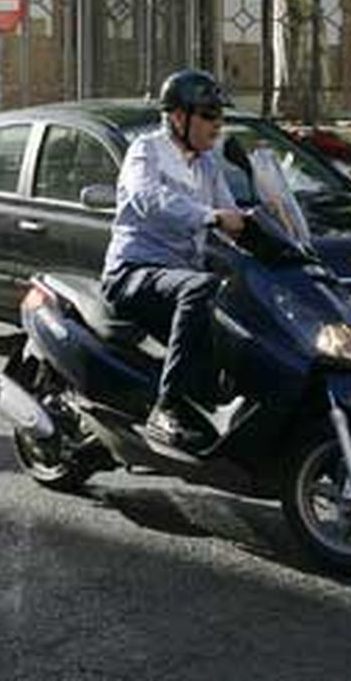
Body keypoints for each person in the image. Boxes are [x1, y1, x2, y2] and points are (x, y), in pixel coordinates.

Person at [101, 70, 246, 449]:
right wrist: (210, 217)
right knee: (201, 288)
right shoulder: (146, 151)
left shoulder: (208, 164)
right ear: (179, 117)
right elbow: (148, 199)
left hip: (179, 277)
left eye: (220, 116)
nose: (218, 124)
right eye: (209, 115)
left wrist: (267, 229)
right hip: (134, 272)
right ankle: (167, 408)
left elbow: (231, 214)